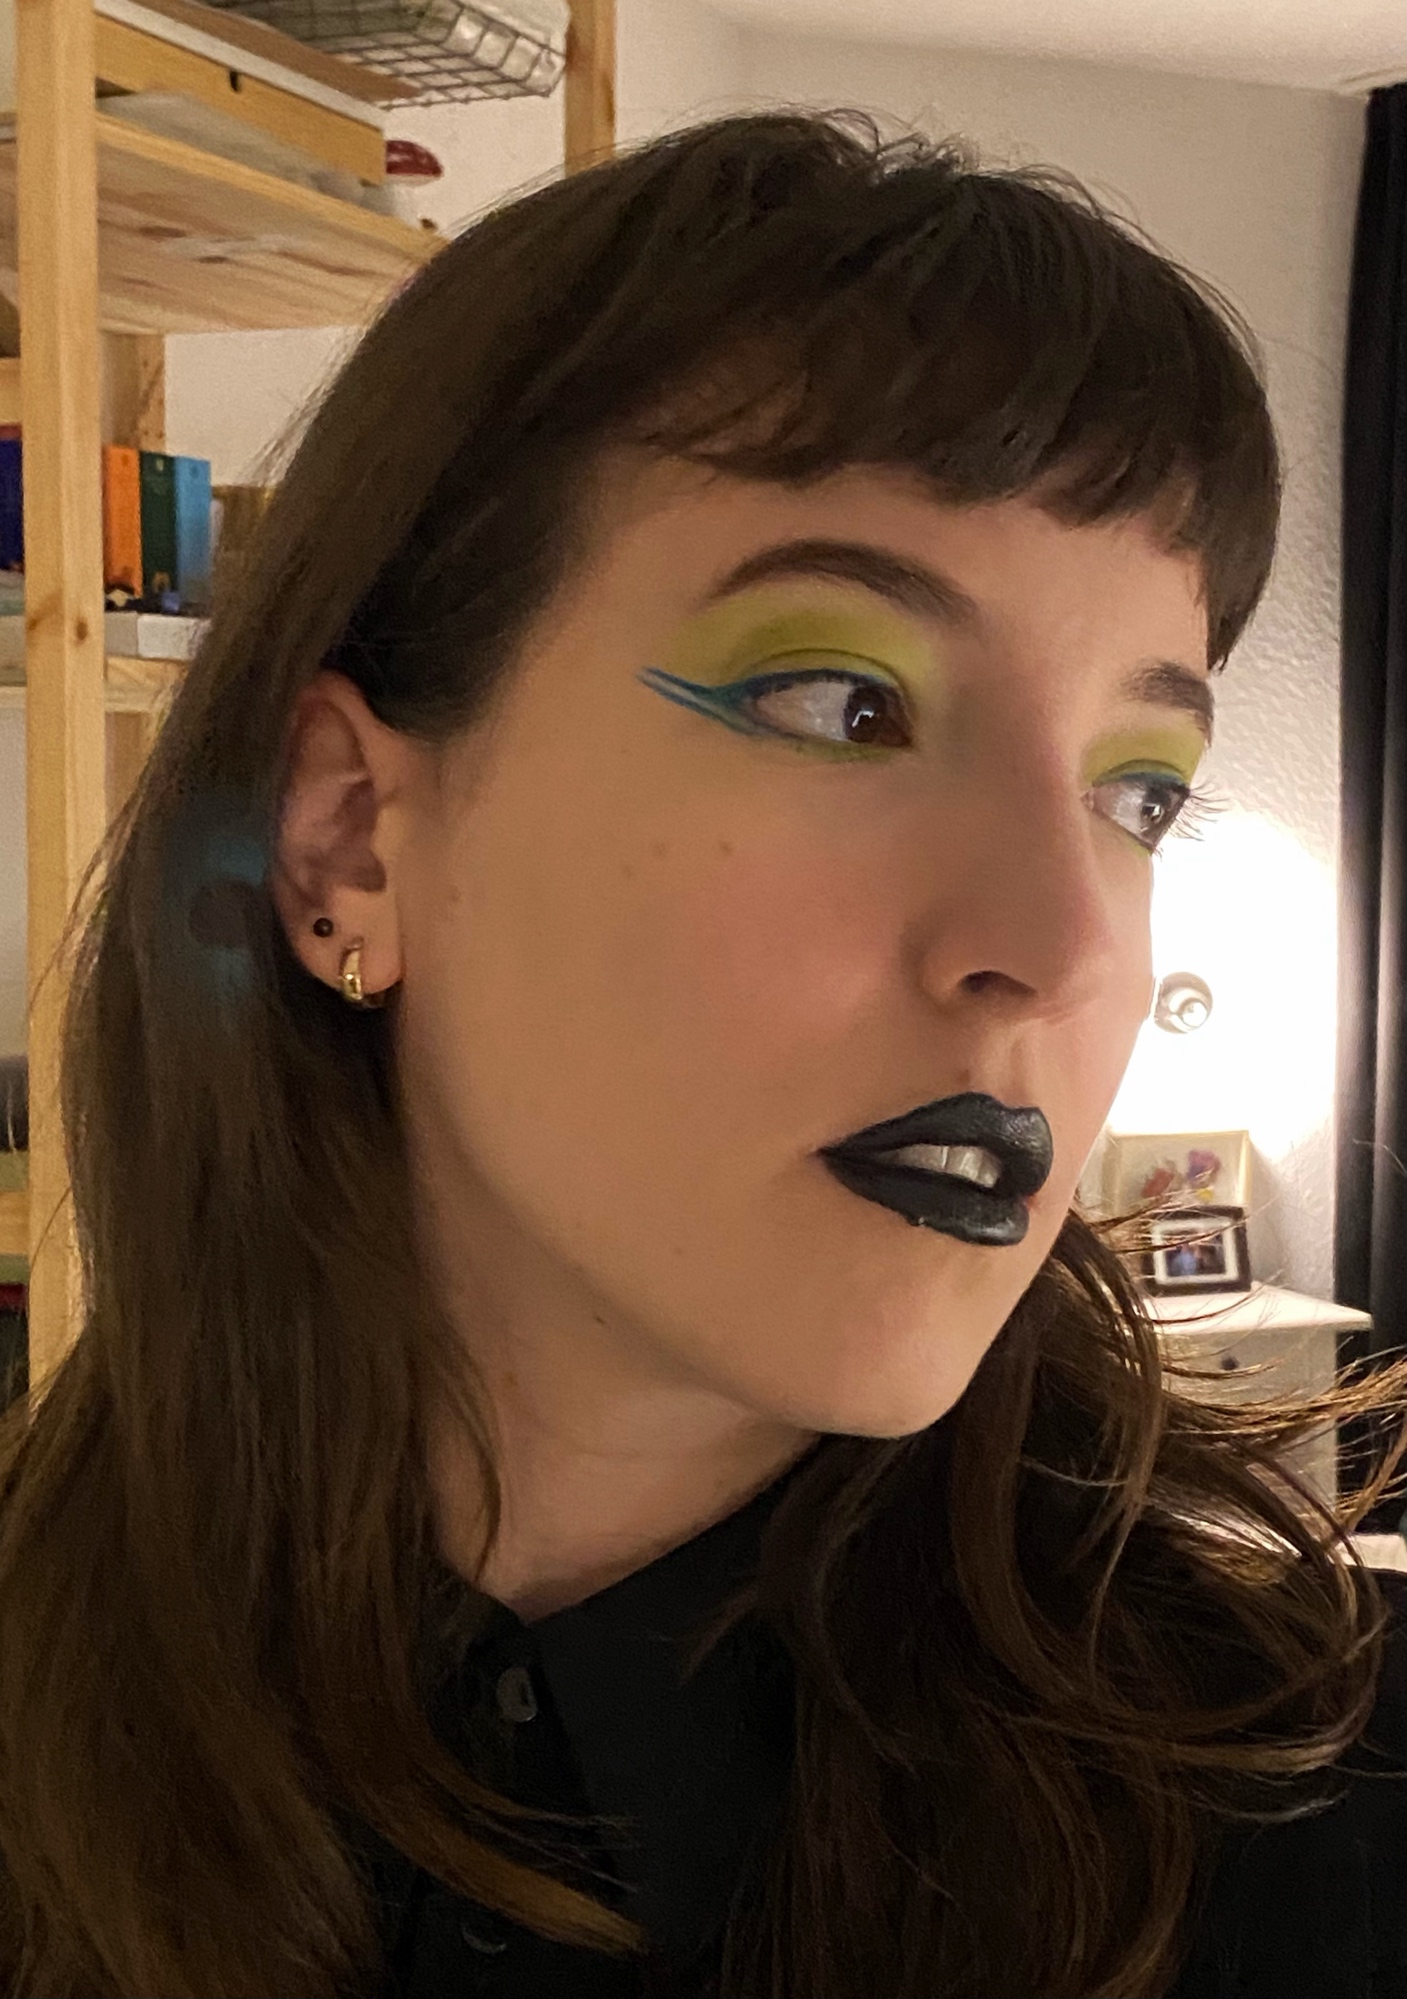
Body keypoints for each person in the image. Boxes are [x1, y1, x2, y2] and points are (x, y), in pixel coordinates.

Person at [0, 111, 1404, 1999]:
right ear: (345, 843)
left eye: (1139, 791)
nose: (1067, 948)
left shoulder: (1324, 1829)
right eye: (845, 702)